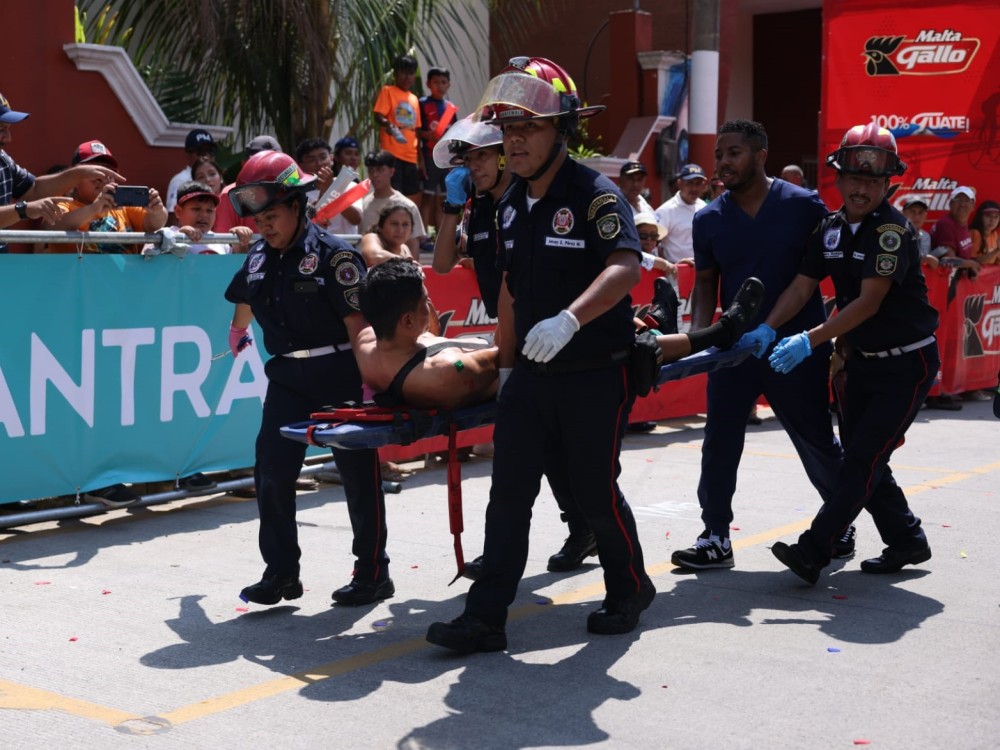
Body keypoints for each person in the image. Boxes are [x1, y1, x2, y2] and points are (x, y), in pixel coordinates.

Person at [425, 56, 657, 652]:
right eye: (508, 130)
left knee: (593, 490)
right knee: (509, 497)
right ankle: (484, 618)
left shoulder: (595, 194)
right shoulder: (509, 204)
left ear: (563, 129)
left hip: (591, 375)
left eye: (529, 127)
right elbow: (507, 291)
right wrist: (506, 369)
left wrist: (570, 318)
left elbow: (626, 266)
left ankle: (629, 588)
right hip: (530, 375)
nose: (516, 141)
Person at [765, 123, 938, 583]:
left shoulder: (891, 233)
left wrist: (809, 341)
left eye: (873, 182)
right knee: (867, 460)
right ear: (837, 180)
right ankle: (907, 540)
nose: (861, 189)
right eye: (853, 179)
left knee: (862, 459)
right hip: (860, 363)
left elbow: (868, 302)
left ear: (888, 185)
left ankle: (813, 550)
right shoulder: (830, 230)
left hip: (907, 364)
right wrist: (768, 328)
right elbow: (803, 286)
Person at [672, 119, 845, 570]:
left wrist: (833, 339)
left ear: (761, 155)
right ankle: (715, 535)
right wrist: (699, 339)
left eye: (733, 153)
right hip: (734, 351)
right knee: (720, 440)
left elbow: (827, 272)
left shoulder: (805, 205)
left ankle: (840, 519)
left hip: (796, 348)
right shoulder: (708, 218)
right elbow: (706, 283)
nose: (723, 163)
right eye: (719, 155)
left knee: (815, 439)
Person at [223, 150, 392, 607]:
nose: (265, 226)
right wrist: (239, 329)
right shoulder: (259, 256)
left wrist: (368, 383)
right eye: (258, 220)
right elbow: (245, 294)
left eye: (273, 216)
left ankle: (373, 572)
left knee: (358, 475)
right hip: (287, 380)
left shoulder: (335, 258)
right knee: (272, 474)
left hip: (340, 375)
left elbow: (361, 327)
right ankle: (281, 574)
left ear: (297, 208)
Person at [1, 93, 124, 251]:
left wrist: (78, 173)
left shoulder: (3, 160)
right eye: (2, 129)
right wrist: (25, 209)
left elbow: (34, 190)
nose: (8, 138)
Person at [48, 140, 167, 253]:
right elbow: (52, 228)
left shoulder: (123, 206)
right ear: (75, 178)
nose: (103, 176)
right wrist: (94, 208)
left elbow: (154, 224)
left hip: (125, 275)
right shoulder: (64, 204)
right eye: (93, 170)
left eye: (109, 171)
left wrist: (157, 210)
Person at [373, 54, 422, 205]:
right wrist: (387, 125)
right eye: (404, 72)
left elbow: (417, 130)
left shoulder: (414, 98)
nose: (408, 77)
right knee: (394, 194)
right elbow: (378, 115)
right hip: (392, 154)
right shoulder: (388, 91)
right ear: (395, 74)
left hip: (411, 156)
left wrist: (420, 159)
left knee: (412, 194)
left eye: (411, 73)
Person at [359, 150, 427, 255]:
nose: (375, 175)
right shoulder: (364, 204)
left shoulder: (407, 205)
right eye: (371, 170)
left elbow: (413, 242)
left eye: (381, 170)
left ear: (391, 172)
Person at [417, 66, 458, 234]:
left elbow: (455, 131)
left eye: (443, 82)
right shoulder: (422, 104)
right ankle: (424, 235)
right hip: (429, 156)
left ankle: (440, 236)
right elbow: (417, 130)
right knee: (427, 197)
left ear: (449, 85)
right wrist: (428, 135)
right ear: (428, 84)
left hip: (446, 159)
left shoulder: (450, 108)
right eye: (436, 82)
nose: (440, 86)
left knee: (442, 199)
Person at [162, 180, 252, 255]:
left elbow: (237, 267)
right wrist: (180, 236)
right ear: (178, 211)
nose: (204, 215)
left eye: (209, 211)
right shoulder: (168, 235)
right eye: (196, 209)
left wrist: (240, 242)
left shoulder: (221, 242)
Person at [215, 135, 283, 234]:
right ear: (244, 164)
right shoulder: (229, 195)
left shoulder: (291, 188)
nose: (267, 166)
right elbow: (223, 242)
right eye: (259, 161)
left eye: (273, 161)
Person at [654, 163, 707, 265]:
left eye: (698, 183)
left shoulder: (704, 208)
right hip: (674, 271)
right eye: (690, 183)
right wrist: (669, 265)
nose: (694, 188)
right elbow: (652, 244)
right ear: (680, 184)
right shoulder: (666, 211)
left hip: (701, 270)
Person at [165, 128, 216, 216]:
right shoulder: (180, 180)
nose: (207, 156)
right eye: (202, 152)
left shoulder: (216, 179)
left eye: (210, 151)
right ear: (188, 155)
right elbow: (172, 216)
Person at [901, 197, 938, 269]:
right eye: (912, 212)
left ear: (925, 216)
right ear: (903, 214)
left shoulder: (925, 236)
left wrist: (931, 260)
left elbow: (924, 261)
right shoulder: (895, 234)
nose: (916, 216)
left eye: (920, 212)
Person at [970, 199, 1000, 265]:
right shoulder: (975, 233)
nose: (992, 220)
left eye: (996, 217)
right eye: (988, 216)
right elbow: (976, 261)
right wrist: (997, 250)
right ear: (981, 217)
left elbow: (996, 261)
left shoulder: (994, 234)